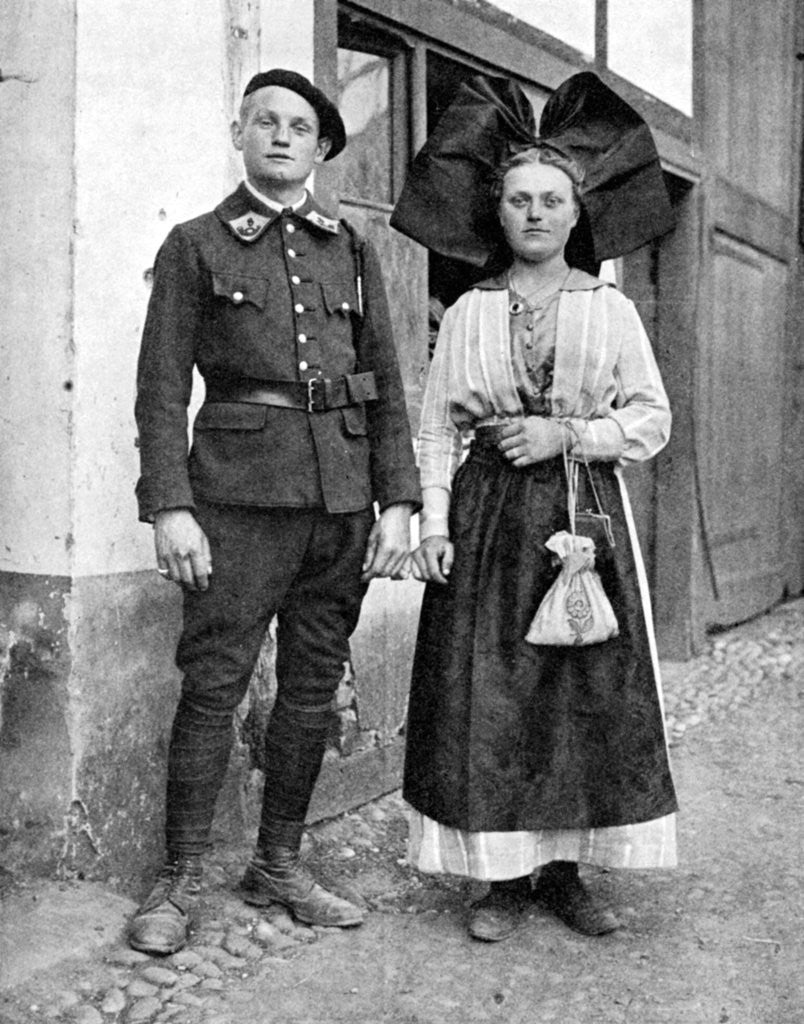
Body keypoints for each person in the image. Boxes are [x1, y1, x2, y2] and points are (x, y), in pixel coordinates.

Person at [130, 68, 420, 955]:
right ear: (240, 133)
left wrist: (398, 499)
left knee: (308, 691)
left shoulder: (351, 249)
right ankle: (178, 878)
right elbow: (159, 388)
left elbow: (385, 383)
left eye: (301, 126)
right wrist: (170, 507)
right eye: (267, 122)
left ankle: (278, 863)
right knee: (214, 687)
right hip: (236, 504)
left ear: (323, 147)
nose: (285, 137)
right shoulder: (196, 245)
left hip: (339, 501)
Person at [393, 74, 678, 943]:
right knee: (487, 693)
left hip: (583, 517)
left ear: (574, 211)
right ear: (499, 212)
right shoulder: (471, 314)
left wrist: (570, 437)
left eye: (551, 200)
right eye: (518, 199)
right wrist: (434, 527)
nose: (535, 214)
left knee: (579, 691)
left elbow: (652, 420)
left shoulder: (612, 310)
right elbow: (439, 428)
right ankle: (497, 880)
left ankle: (565, 874)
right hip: (485, 522)